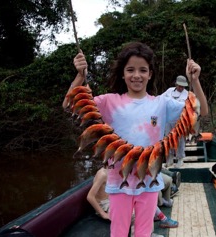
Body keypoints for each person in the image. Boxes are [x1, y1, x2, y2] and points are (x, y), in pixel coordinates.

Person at [63, 42, 208, 237]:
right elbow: (69, 105)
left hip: (149, 181)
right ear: (123, 74)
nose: (136, 75)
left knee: (144, 233)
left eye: (143, 70)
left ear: (150, 74)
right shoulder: (108, 101)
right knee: (119, 232)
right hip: (118, 182)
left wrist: (195, 81)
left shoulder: (162, 103)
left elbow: (201, 111)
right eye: (130, 70)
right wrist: (80, 76)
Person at [87, 167, 178, 237]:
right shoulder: (103, 174)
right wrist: (103, 214)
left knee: (145, 203)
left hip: (114, 199)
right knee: (134, 214)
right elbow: (90, 197)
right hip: (105, 204)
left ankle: (161, 220)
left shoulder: (118, 170)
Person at [162, 75, 189, 168]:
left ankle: (180, 159)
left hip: (180, 121)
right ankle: (169, 159)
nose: (181, 87)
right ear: (176, 84)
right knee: (168, 139)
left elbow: (184, 106)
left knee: (180, 140)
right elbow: (161, 99)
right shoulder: (169, 91)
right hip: (168, 120)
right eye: (179, 85)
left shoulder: (187, 94)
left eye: (183, 86)